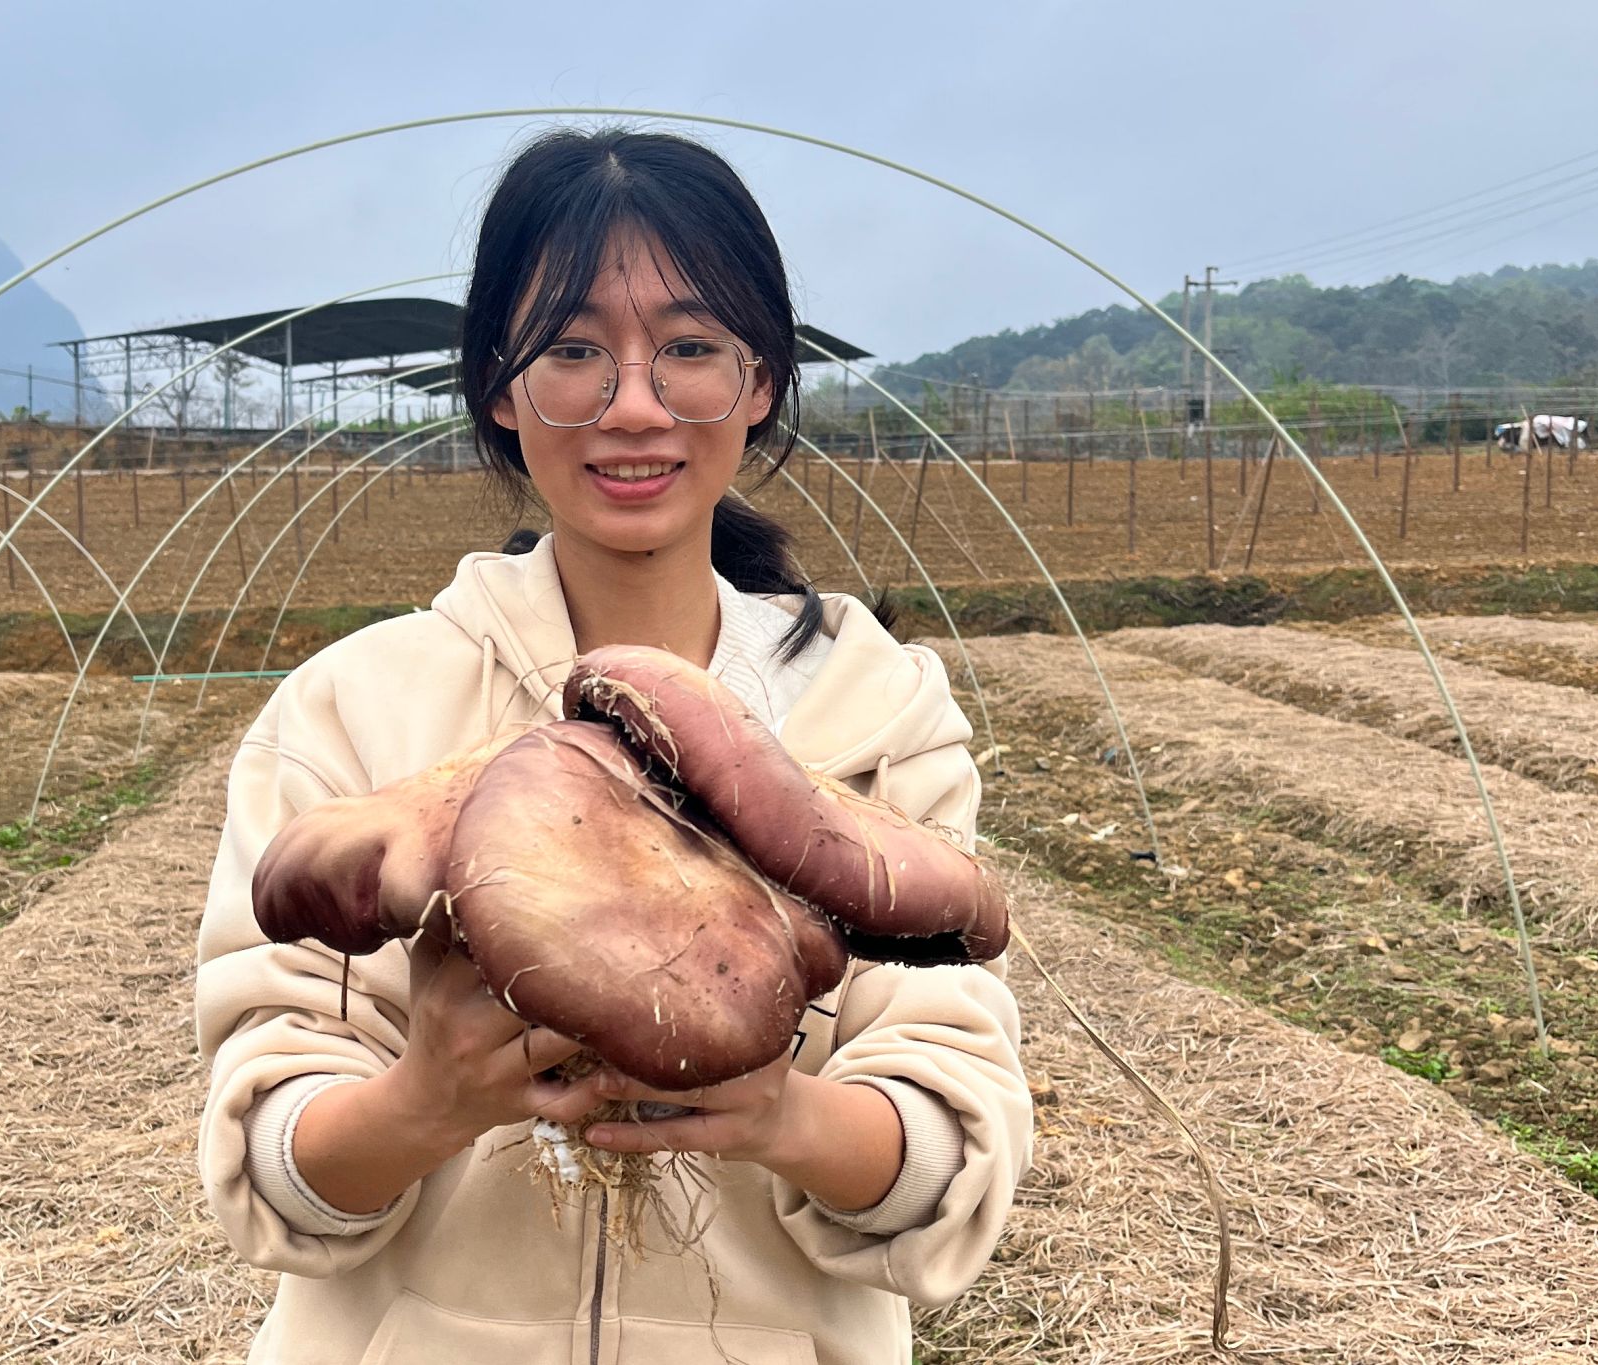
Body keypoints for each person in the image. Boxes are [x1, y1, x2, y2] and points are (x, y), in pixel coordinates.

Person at [195, 125, 1034, 1365]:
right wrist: (425, 1101)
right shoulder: (352, 710)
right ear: (497, 386)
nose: (631, 406)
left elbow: (954, 1149)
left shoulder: (874, 713)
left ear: (760, 381)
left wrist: (782, 1116)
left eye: (689, 349)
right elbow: (269, 1167)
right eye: (571, 352)